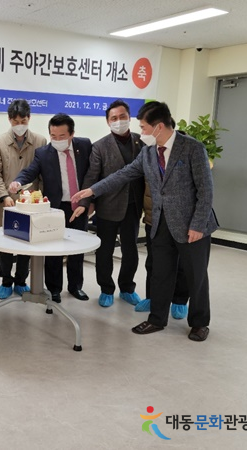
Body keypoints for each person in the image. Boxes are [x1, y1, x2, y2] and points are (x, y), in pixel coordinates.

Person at [72, 101, 218, 342]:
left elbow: (206, 191)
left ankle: (200, 323)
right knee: (160, 273)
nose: (141, 132)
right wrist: (93, 190)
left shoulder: (192, 148)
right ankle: (157, 319)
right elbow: (123, 174)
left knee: (196, 276)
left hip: (192, 226)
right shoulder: (149, 152)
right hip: (160, 223)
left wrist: (198, 225)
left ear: (158, 127)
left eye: (143, 127)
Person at [9, 113, 92, 303]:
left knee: (77, 249)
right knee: (54, 250)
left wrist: (89, 201)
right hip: (55, 208)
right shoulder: (43, 153)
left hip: (79, 205)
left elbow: (92, 173)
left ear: (72, 134)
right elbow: (30, 171)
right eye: (53, 136)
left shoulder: (85, 145)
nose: (57, 140)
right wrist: (18, 182)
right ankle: (54, 289)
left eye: (62, 136)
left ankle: (75, 286)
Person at [80, 100, 144, 308]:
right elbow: (92, 177)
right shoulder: (100, 146)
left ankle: (127, 288)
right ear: (108, 122)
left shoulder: (141, 141)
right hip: (108, 206)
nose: (119, 121)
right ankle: (106, 289)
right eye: (114, 118)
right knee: (105, 251)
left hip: (133, 207)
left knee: (130, 251)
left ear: (129, 117)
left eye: (122, 116)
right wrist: (86, 202)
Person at [0, 99, 47, 299]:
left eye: (23, 121)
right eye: (15, 121)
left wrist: (40, 199)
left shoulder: (40, 141)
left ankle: (22, 280)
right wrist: (3, 195)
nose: (19, 125)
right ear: (9, 120)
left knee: (27, 242)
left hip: (31, 203)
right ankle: (6, 281)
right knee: (6, 244)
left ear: (29, 118)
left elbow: (43, 174)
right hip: (7, 202)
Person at [136, 182, 189, 319]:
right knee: (153, 262)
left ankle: (179, 300)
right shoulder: (148, 166)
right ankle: (152, 298)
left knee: (181, 264)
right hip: (153, 219)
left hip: (180, 221)